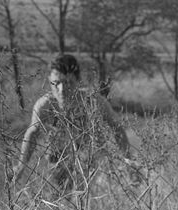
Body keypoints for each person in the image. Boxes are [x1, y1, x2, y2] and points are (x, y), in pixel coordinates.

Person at [12, 54, 133, 190]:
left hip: (92, 164)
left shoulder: (93, 101)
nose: (62, 90)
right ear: (50, 81)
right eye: (56, 83)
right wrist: (21, 165)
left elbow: (117, 127)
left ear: (78, 81)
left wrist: (129, 161)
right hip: (59, 163)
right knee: (62, 199)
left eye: (69, 83)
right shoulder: (45, 105)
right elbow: (32, 133)